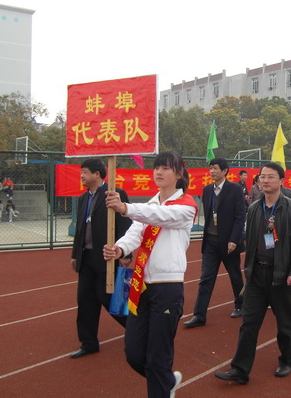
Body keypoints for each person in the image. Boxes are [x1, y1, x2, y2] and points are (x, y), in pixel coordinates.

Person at [103, 150, 198, 398]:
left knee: (157, 357)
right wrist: (119, 248)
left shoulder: (186, 206)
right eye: (157, 167)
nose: (159, 172)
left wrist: (125, 207)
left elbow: (161, 216)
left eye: (166, 168)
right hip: (141, 285)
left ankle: (162, 387)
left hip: (167, 287)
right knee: (134, 354)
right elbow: (135, 233)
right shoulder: (149, 205)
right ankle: (167, 381)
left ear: (179, 173)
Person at [215, 162, 291, 384]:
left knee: (284, 323)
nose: (265, 180)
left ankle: (287, 360)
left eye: (270, 176)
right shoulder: (255, 208)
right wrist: (249, 270)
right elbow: (252, 241)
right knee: (248, 324)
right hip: (257, 274)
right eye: (262, 176)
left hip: (281, 276)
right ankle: (240, 369)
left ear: (282, 181)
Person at [68, 159, 132, 359]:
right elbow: (80, 229)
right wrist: (75, 254)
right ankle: (88, 343)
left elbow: (125, 225)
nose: (81, 176)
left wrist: (126, 254)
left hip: (106, 256)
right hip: (86, 258)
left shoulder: (114, 194)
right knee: (85, 301)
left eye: (85, 172)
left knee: (109, 299)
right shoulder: (82, 198)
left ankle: (137, 329)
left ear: (97, 174)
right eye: (81, 172)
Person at [183, 158, 246, 327]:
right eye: (210, 168)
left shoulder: (235, 189)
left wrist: (234, 239)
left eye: (215, 168)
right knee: (206, 279)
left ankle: (240, 305)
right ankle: (199, 315)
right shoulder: (207, 190)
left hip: (228, 243)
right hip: (210, 242)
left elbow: (240, 216)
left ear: (225, 171)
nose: (212, 171)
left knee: (235, 276)